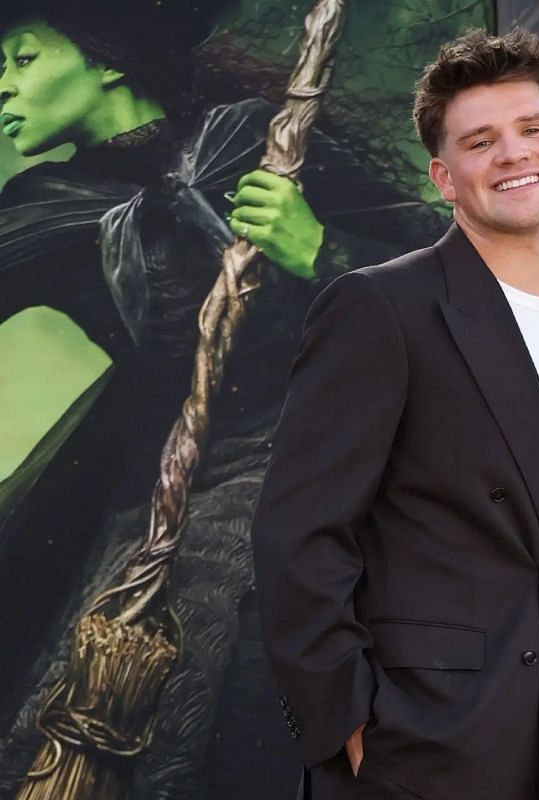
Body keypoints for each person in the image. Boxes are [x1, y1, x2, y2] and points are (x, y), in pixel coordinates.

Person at [0, 1, 440, 795]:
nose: (2, 87)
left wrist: (322, 250)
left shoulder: (263, 141)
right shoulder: (44, 209)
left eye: (23, 60)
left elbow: (450, 284)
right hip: (151, 505)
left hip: (319, 492)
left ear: (106, 59)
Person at [251, 28, 539, 799]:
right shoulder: (380, 308)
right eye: (480, 142)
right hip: (420, 751)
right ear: (443, 178)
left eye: (529, 131)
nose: (513, 155)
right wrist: (349, 729)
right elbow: (297, 534)